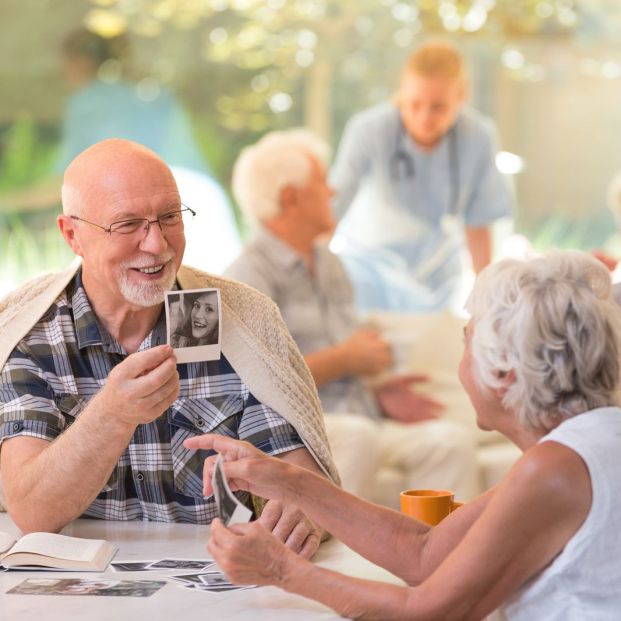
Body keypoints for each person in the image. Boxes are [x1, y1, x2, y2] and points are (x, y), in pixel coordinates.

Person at [189, 250, 621, 620]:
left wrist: (281, 570)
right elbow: (424, 552)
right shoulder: (574, 447)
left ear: (504, 374)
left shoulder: (555, 468)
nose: (460, 362)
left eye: (466, 342)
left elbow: (428, 612)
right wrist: (286, 479)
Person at [0, 138, 338, 561]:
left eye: (169, 217)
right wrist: (111, 415)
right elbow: (32, 512)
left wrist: (299, 508)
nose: (157, 245)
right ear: (72, 235)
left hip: (219, 585)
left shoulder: (232, 320)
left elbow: (305, 483)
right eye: (127, 225)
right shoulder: (31, 331)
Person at [225, 129, 480, 502]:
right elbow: (253, 385)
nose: (332, 193)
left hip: (360, 417)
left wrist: (377, 391)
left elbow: (351, 357)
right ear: (290, 197)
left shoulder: (330, 264)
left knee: (449, 441)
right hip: (300, 432)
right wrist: (344, 360)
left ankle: (447, 558)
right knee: (359, 436)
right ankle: (321, 555)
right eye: (321, 183)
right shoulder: (247, 276)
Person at [330, 40, 513, 312]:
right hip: (369, 270)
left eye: (438, 107)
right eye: (414, 104)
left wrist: (486, 302)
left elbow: (478, 224)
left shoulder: (478, 137)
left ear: (461, 97)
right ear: (401, 94)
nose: (424, 117)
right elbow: (332, 208)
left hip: (437, 278)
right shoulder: (369, 130)